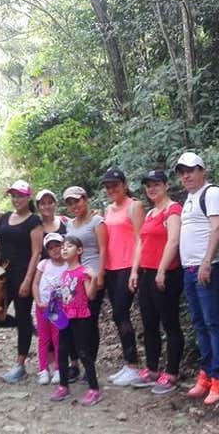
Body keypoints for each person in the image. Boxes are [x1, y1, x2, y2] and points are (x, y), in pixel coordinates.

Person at [176, 152, 219, 405]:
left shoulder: (213, 194)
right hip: (190, 270)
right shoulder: (189, 198)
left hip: (209, 267)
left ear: (202, 171)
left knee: (213, 322)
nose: (186, 175)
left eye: (191, 170)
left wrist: (207, 262)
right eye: (182, 171)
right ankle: (206, 374)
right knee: (199, 322)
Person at [128, 170, 184, 394]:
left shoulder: (173, 210)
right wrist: (135, 271)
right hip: (147, 274)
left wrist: (161, 270)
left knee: (170, 324)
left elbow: (173, 241)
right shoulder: (151, 213)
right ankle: (152, 369)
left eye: (156, 184)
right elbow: (141, 244)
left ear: (166, 185)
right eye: (148, 186)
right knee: (149, 323)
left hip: (167, 273)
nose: (152, 189)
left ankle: (171, 373)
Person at [0, 180, 43, 383]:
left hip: (22, 274)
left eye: (20, 196)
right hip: (3, 275)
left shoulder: (34, 221)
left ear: (28, 198)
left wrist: (28, 280)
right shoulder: (5, 217)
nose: (16, 199)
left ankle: (20, 365)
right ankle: (30, 328)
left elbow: (37, 253)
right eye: (13, 196)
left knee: (22, 317)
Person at [100, 168, 145, 386]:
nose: (111, 190)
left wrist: (135, 270)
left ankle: (133, 365)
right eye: (108, 187)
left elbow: (139, 239)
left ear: (124, 185)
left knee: (121, 312)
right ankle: (129, 363)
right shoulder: (108, 209)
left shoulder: (134, 205)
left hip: (127, 266)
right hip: (111, 268)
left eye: (115, 185)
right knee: (117, 316)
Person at [50, 235, 102, 406]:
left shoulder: (83, 272)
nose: (64, 249)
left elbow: (91, 295)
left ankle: (94, 389)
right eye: (63, 246)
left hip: (81, 317)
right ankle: (63, 386)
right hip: (65, 316)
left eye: (69, 246)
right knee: (63, 349)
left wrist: (94, 278)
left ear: (79, 251)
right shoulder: (64, 273)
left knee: (83, 352)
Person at [63, 185, 106, 380]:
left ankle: (91, 366)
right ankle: (78, 363)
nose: (74, 205)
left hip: (92, 276)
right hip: (74, 280)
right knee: (75, 323)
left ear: (85, 199)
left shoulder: (97, 221)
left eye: (77, 201)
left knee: (90, 322)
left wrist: (100, 274)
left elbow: (103, 249)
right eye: (70, 203)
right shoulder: (69, 224)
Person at [31, 232, 67, 385]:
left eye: (57, 246)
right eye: (51, 247)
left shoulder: (67, 264)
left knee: (58, 339)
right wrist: (38, 301)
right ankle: (43, 369)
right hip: (43, 306)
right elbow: (35, 284)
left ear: (63, 246)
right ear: (47, 250)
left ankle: (58, 369)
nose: (55, 250)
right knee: (43, 339)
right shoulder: (44, 264)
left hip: (59, 309)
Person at [36, 189, 67, 258]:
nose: (47, 206)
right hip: (44, 267)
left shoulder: (65, 221)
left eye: (50, 202)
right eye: (43, 203)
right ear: (38, 207)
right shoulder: (35, 227)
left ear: (55, 204)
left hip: (66, 266)